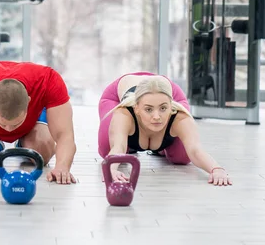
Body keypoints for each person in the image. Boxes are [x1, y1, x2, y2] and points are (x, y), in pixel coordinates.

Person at [97, 71, 232, 186]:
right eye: (148, 110)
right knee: (108, 150)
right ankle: (132, 142)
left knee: (182, 158)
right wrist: (111, 168)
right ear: (136, 108)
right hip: (117, 93)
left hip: (165, 91)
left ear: (171, 106)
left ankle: (160, 146)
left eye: (163, 108)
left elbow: (195, 150)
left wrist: (216, 169)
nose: (157, 116)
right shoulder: (124, 113)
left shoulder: (179, 117)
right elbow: (118, 147)